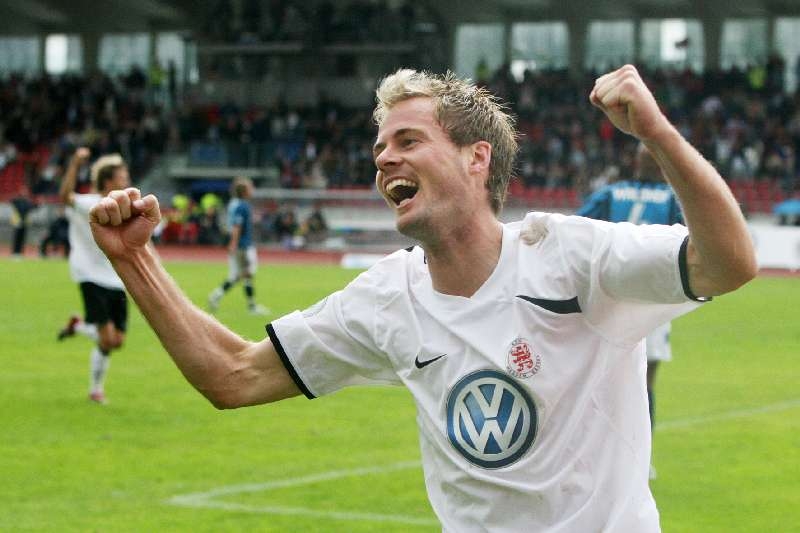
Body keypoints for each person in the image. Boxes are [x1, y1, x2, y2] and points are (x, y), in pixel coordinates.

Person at [89, 65, 757, 531]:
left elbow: (728, 262)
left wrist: (657, 135)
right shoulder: (388, 296)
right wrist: (134, 259)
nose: (384, 159)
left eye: (409, 140)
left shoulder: (572, 257)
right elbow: (232, 373)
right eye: (380, 147)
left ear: (476, 158)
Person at [576, 143, 685, 480]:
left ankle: (595, 454)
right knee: (645, 381)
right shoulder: (671, 200)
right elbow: (689, 241)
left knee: (599, 377)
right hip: (653, 301)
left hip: (610, 297)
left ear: (636, 162)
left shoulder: (612, 193)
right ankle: (641, 459)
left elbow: (577, 228)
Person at [57, 147, 130, 404]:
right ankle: (96, 390)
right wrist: (75, 163)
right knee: (107, 338)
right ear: (108, 181)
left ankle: (78, 326)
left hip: (116, 278)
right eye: (121, 175)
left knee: (117, 340)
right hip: (89, 274)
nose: (126, 179)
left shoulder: (124, 208)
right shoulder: (89, 203)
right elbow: (65, 196)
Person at [207, 177, 269, 315]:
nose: (252, 190)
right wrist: (233, 243)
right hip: (243, 246)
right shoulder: (242, 206)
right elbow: (237, 226)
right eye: (250, 187)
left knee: (237, 275)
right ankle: (251, 306)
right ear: (244, 191)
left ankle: (216, 296)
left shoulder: (235, 204)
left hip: (242, 245)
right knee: (246, 274)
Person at [9, 187, 37, 258]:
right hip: (17, 222)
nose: (24, 194)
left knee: (22, 239)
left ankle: (20, 253)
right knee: (16, 238)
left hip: (24, 223)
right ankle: (14, 252)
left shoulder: (27, 202)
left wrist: (36, 203)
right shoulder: (18, 201)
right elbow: (12, 201)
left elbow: (33, 207)